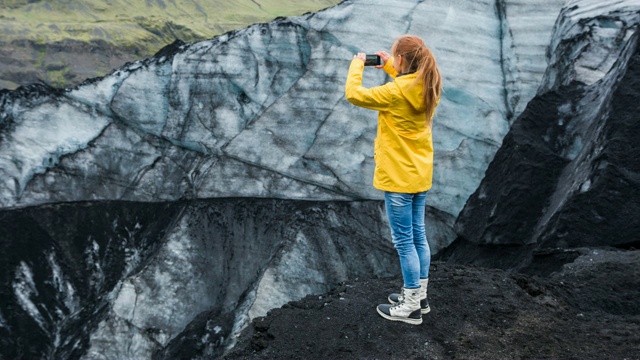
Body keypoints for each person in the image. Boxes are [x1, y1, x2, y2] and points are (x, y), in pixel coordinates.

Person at [344, 35, 442, 325]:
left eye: (395, 59)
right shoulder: (428, 85)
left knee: (404, 242)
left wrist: (357, 65)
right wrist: (389, 67)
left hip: (398, 179)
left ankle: (409, 306)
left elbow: (354, 94)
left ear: (402, 60)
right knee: (418, 236)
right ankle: (419, 298)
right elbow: (405, 86)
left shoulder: (395, 92)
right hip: (419, 175)